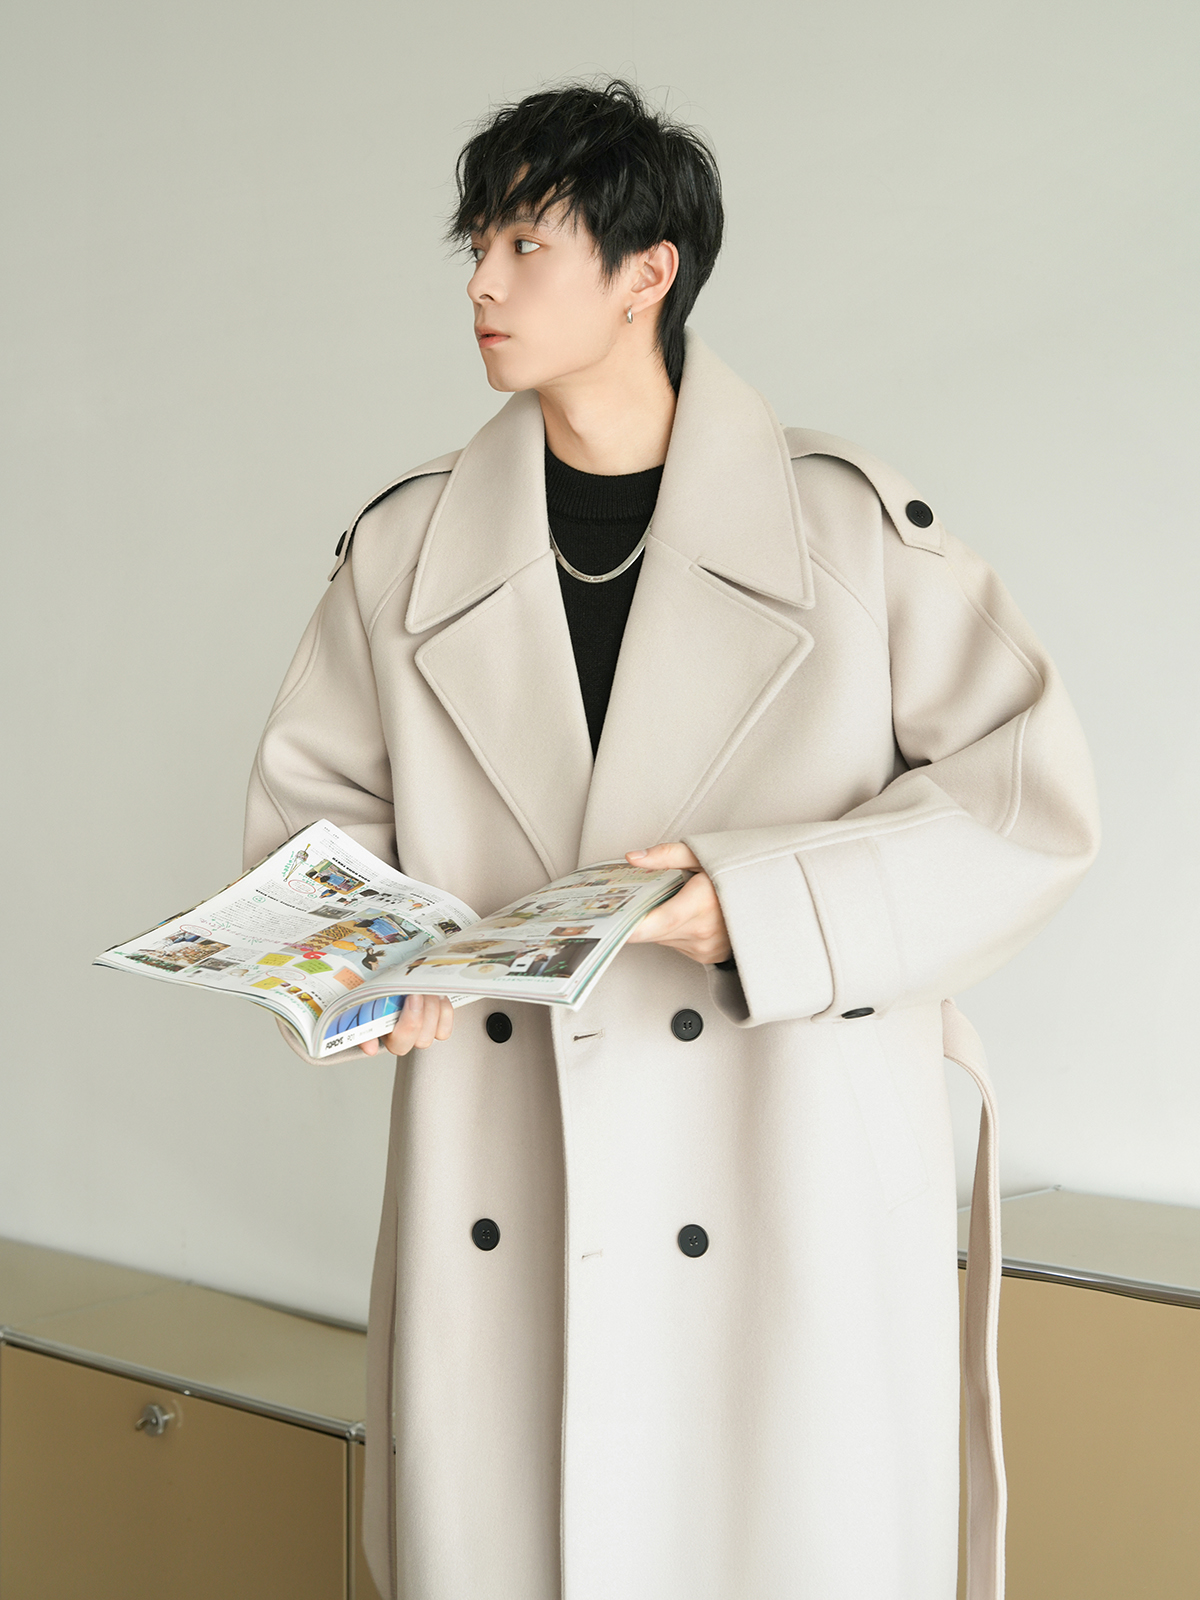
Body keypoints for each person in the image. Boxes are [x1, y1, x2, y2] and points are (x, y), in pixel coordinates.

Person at [244, 79, 1098, 1600]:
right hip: (504, 1174)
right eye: (477, 245)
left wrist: (763, 905)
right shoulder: (406, 546)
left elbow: (1023, 804)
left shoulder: (847, 530)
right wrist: (366, 964)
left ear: (650, 272)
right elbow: (315, 814)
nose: (482, 283)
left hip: (786, 1164)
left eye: (524, 244)